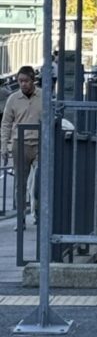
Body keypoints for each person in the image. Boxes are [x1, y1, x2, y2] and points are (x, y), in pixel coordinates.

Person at [0, 66, 42, 221]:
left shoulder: (43, 96)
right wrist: (4, 147)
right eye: (20, 81)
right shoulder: (13, 99)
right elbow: (6, 124)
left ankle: (36, 210)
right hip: (20, 144)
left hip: (39, 144)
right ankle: (21, 216)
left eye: (26, 81)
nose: (23, 84)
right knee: (20, 183)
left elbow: (51, 120)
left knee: (39, 180)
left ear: (33, 81)